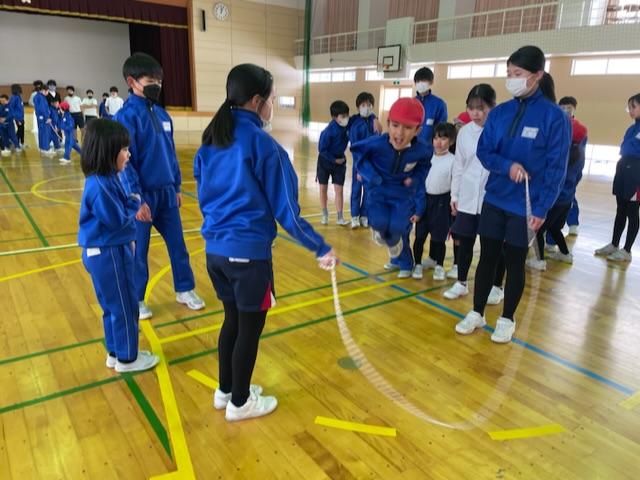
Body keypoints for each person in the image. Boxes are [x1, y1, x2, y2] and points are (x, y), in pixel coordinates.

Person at [194, 63, 337, 421]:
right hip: (248, 259)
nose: (273, 105)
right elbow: (288, 212)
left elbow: (205, 197)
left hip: (215, 254)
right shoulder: (264, 146)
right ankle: (240, 402)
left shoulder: (210, 142)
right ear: (257, 101)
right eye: (272, 99)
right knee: (249, 330)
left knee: (232, 321)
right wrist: (321, 246)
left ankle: (226, 390)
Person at [454, 45, 570, 343]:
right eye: (509, 73)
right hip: (495, 199)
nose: (511, 79)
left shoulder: (554, 117)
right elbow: (485, 152)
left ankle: (507, 319)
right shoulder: (500, 113)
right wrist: (508, 166)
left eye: (517, 74)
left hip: (525, 207)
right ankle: (477, 312)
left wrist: (541, 209)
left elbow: (557, 168)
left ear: (537, 75)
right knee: (487, 258)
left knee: (515, 262)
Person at [115, 52, 205, 320]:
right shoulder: (125, 117)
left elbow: (170, 155)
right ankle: (137, 299)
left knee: (178, 245)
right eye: (150, 81)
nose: (157, 85)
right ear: (132, 82)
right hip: (142, 197)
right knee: (138, 253)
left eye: (159, 81)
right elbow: (125, 162)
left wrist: (176, 187)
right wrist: (136, 198)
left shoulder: (164, 115)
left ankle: (184, 289)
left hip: (166, 194)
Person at [78, 118, 159, 373]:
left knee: (112, 306)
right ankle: (128, 358)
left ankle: (115, 352)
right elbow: (117, 219)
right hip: (109, 252)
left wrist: (129, 202)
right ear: (107, 151)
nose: (128, 154)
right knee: (125, 305)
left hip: (105, 250)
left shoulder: (106, 179)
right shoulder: (100, 185)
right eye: (124, 149)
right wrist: (134, 202)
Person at [353, 97, 431, 276]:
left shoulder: (422, 150)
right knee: (378, 222)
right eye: (395, 125)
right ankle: (388, 243)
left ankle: (402, 258)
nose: (400, 133)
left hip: (402, 194)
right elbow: (358, 154)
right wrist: (369, 175)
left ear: (418, 130)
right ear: (388, 124)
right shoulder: (376, 143)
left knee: (398, 226)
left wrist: (415, 180)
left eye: (408, 128)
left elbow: (424, 166)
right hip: (378, 192)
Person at [445, 84, 505, 304]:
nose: (475, 113)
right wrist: (455, 195)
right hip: (468, 196)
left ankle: (497, 286)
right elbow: (459, 166)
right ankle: (461, 282)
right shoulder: (465, 133)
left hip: (493, 198)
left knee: (493, 246)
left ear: (492, 107)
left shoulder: (501, 130)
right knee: (465, 241)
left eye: (481, 108)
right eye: (471, 108)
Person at [530, 96, 588, 269]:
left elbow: (550, 176)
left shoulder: (561, 156)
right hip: (567, 199)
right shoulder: (578, 155)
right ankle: (565, 254)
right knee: (554, 227)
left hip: (556, 198)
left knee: (539, 229)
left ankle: (539, 261)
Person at [594, 93, 640, 262]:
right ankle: (614, 244)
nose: (630, 110)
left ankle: (627, 250)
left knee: (632, 212)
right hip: (623, 168)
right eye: (629, 107)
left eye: (633, 107)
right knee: (620, 210)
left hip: (637, 172)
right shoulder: (631, 129)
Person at [412, 123, 456, 281]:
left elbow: (455, 183)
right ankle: (417, 264)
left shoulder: (453, 160)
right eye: (436, 138)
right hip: (425, 201)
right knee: (420, 236)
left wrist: (454, 202)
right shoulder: (426, 157)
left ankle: (439, 266)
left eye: (443, 138)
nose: (439, 142)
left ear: (451, 141)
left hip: (442, 202)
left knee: (439, 238)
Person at [348, 92, 380, 228]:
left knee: (369, 191)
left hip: (372, 164)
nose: (366, 107)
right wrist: (360, 168)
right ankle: (355, 216)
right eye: (363, 105)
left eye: (369, 105)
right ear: (358, 107)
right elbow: (355, 147)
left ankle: (364, 215)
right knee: (356, 190)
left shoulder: (375, 122)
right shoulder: (355, 124)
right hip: (359, 163)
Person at [317, 100, 350, 226]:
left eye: (347, 115)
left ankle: (340, 217)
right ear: (334, 117)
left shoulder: (347, 126)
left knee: (339, 190)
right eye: (343, 116)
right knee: (323, 188)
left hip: (340, 162)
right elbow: (322, 149)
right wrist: (334, 160)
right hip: (325, 162)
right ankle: (324, 214)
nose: (346, 118)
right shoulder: (328, 132)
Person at [414, 67, 448, 145]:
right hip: (411, 146)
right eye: (418, 81)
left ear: (431, 82)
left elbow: (441, 129)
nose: (420, 83)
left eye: (423, 80)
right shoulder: (411, 103)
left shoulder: (439, 104)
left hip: (430, 147)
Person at [34, 83, 54, 156]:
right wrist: (47, 117)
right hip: (44, 118)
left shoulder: (37, 96)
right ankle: (46, 149)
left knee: (41, 133)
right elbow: (43, 109)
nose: (48, 92)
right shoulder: (41, 97)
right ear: (43, 90)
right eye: (47, 91)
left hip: (40, 118)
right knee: (45, 133)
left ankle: (42, 148)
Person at [10, 84, 25, 149]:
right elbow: (11, 108)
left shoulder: (19, 96)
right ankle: (15, 142)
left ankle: (22, 143)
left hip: (21, 116)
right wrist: (16, 118)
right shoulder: (14, 97)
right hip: (18, 117)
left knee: (22, 130)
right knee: (20, 130)